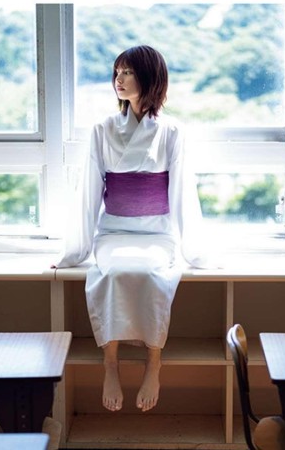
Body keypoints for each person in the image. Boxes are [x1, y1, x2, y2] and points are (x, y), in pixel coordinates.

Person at [52, 45, 209, 412]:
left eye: (128, 72)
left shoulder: (171, 131)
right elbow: (89, 191)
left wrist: (196, 251)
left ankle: (154, 363)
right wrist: (74, 251)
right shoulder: (102, 129)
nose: (119, 80)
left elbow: (183, 193)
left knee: (153, 274)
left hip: (157, 233)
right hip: (114, 232)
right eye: (117, 72)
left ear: (149, 78)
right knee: (113, 271)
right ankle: (111, 363)